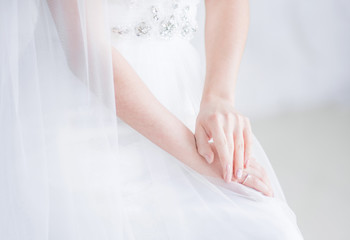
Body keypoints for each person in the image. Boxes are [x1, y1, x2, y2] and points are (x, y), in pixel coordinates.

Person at [0, 0, 303, 239]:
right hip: (77, 120)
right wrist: (203, 163)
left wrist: (218, 98)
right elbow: (87, 49)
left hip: (175, 103)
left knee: (268, 228)